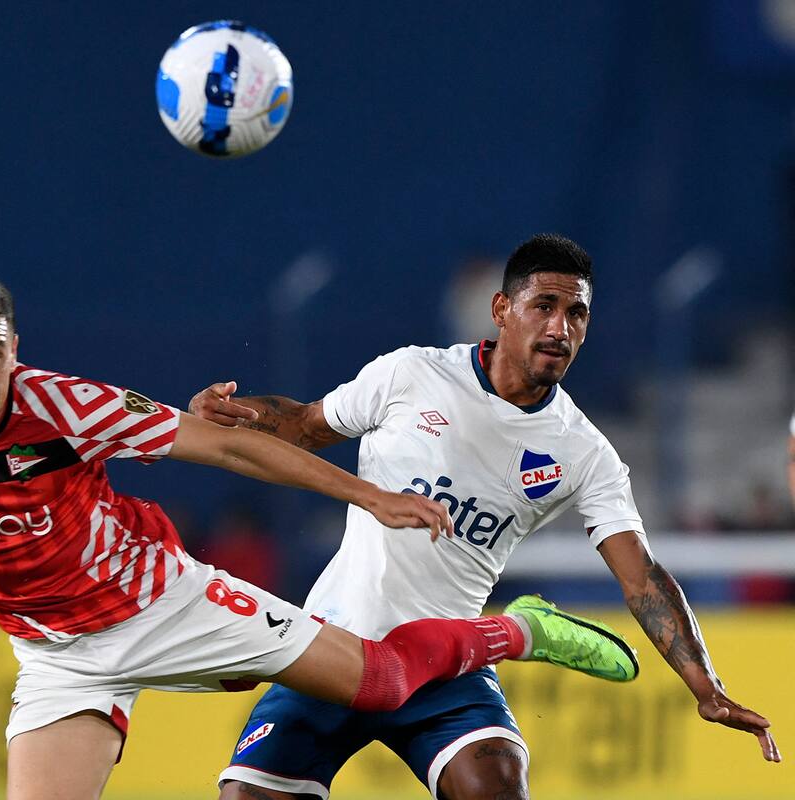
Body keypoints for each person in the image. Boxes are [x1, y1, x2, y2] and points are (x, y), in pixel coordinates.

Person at [0, 271, 640, 800]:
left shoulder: (65, 404)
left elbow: (228, 449)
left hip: (164, 598)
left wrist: (364, 495)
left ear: (18, 351)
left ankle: (517, 631)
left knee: (378, 682)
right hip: (56, 654)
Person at [191, 234, 781, 800]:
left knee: (496, 785)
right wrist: (232, 416)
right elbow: (305, 425)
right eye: (544, 306)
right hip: (335, 646)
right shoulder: (411, 374)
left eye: (576, 314)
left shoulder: (585, 452)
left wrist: (706, 686)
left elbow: (641, 576)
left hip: (449, 662)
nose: (560, 328)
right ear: (502, 309)